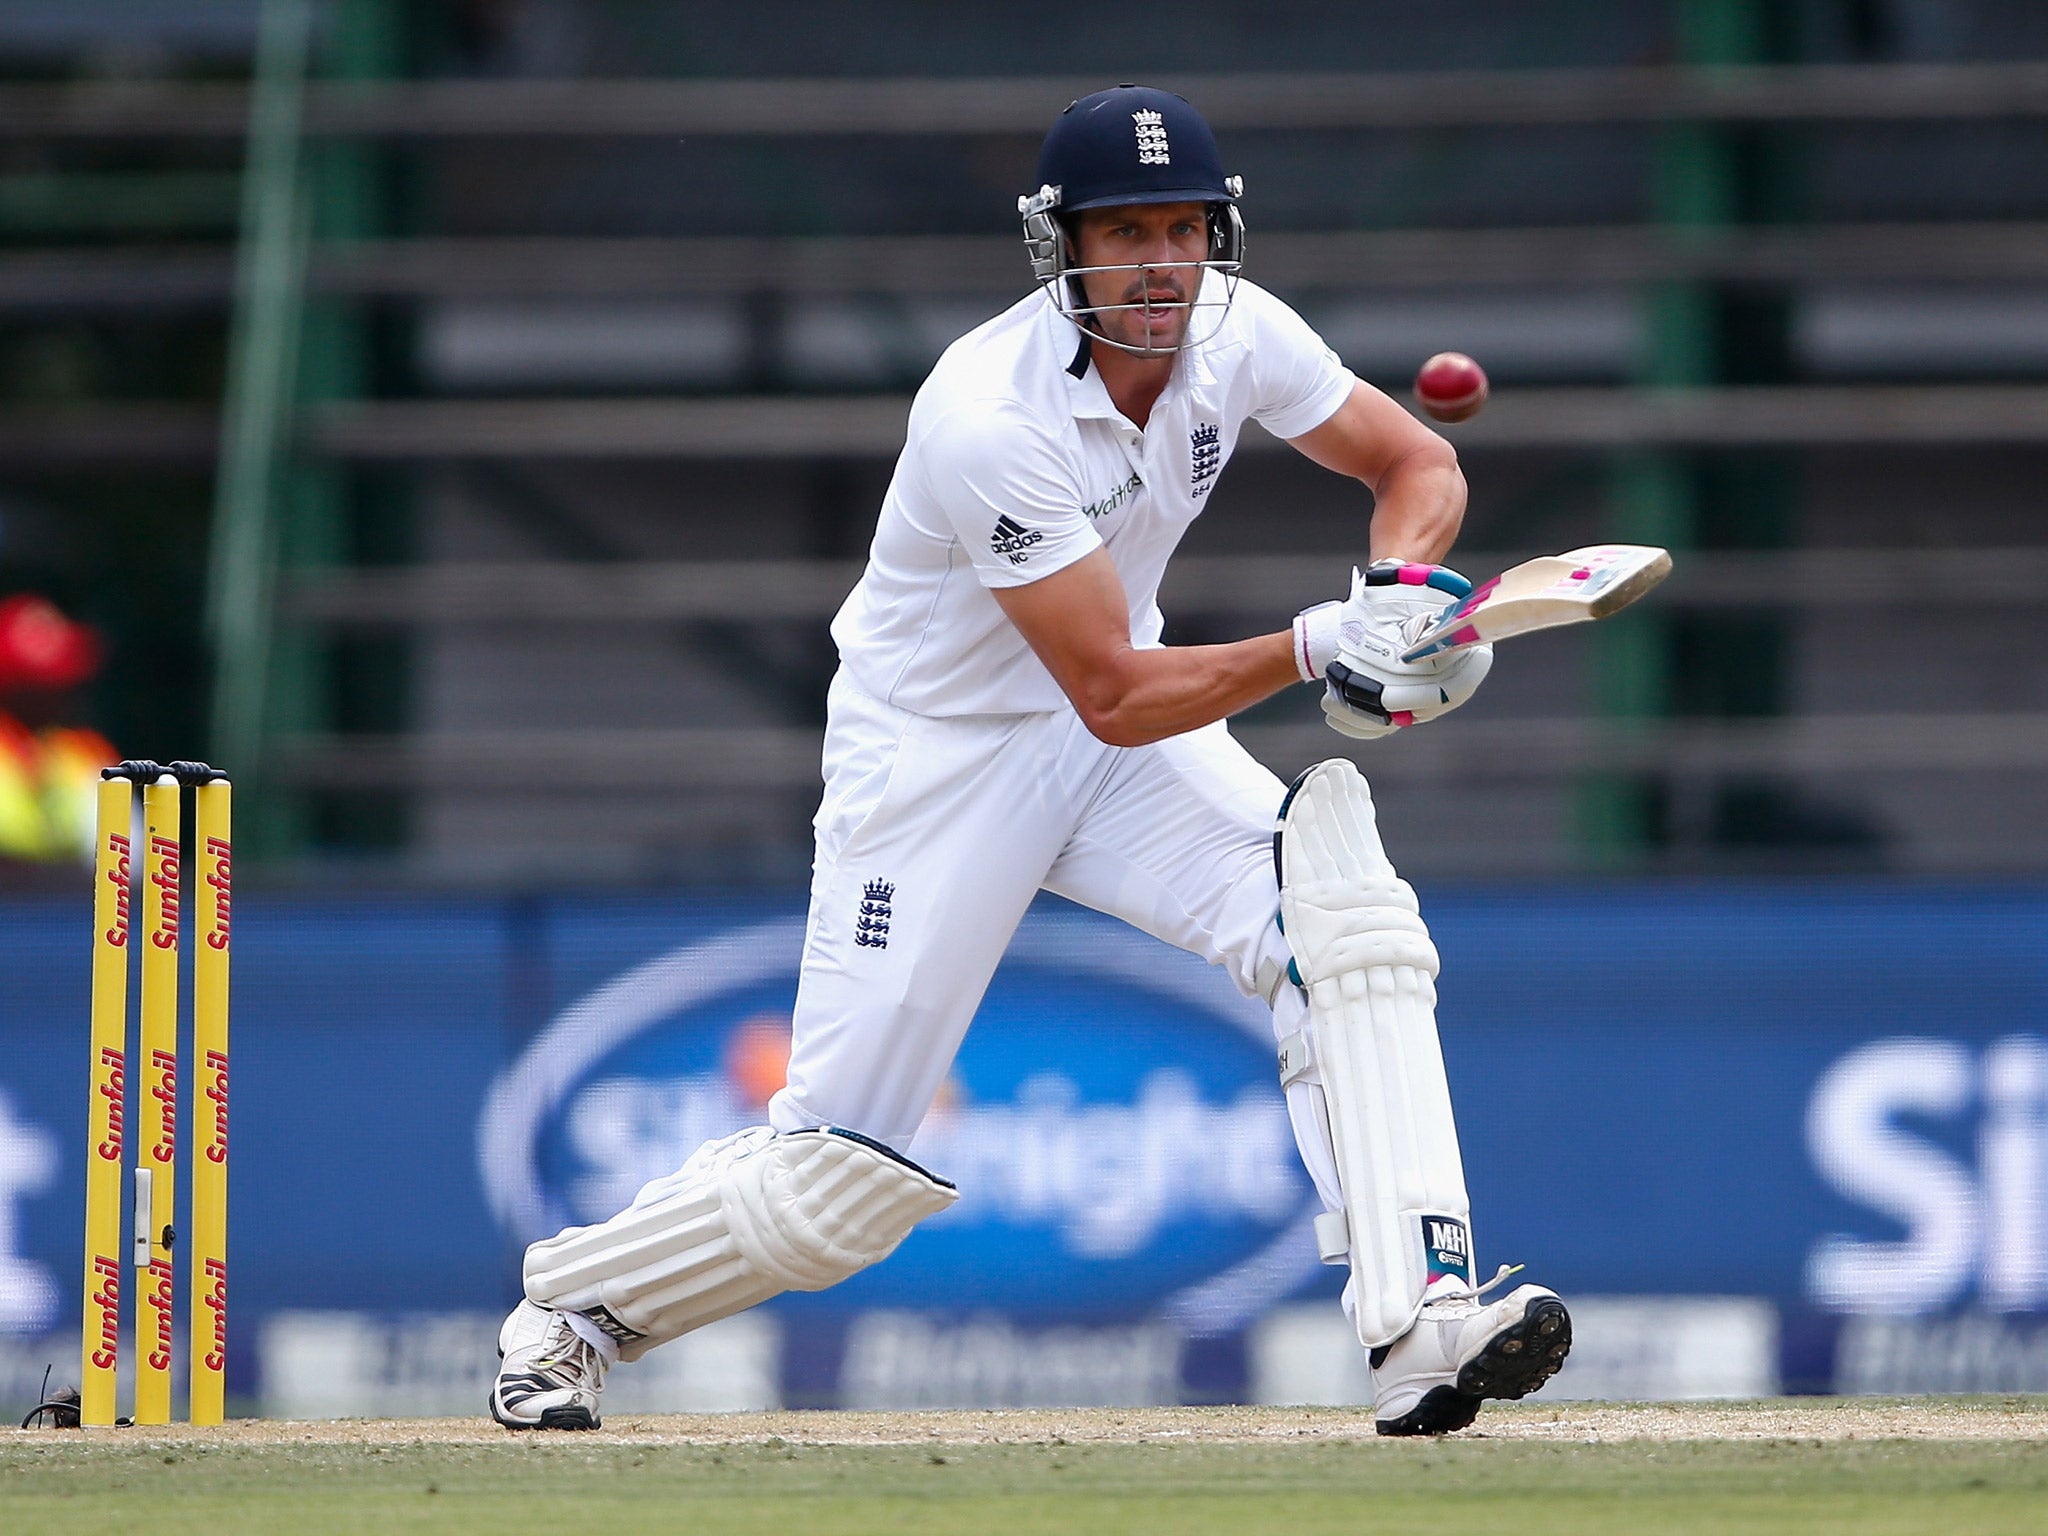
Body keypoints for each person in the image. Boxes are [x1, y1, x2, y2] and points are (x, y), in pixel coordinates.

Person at [490, 85, 1571, 1436]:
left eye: (1187, 229)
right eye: (1127, 233)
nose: (1162, 264)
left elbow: (1413, 459)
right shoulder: (985, 417)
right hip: (941, 765)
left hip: (1113, 745)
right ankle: (573, 1308)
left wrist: (1405, 592)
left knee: (1346, 925)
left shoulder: (1238, 333)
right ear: (1059, 247)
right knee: (840, 1187)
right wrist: (1318, 646)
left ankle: (1423, 1325)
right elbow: (1111, 688)